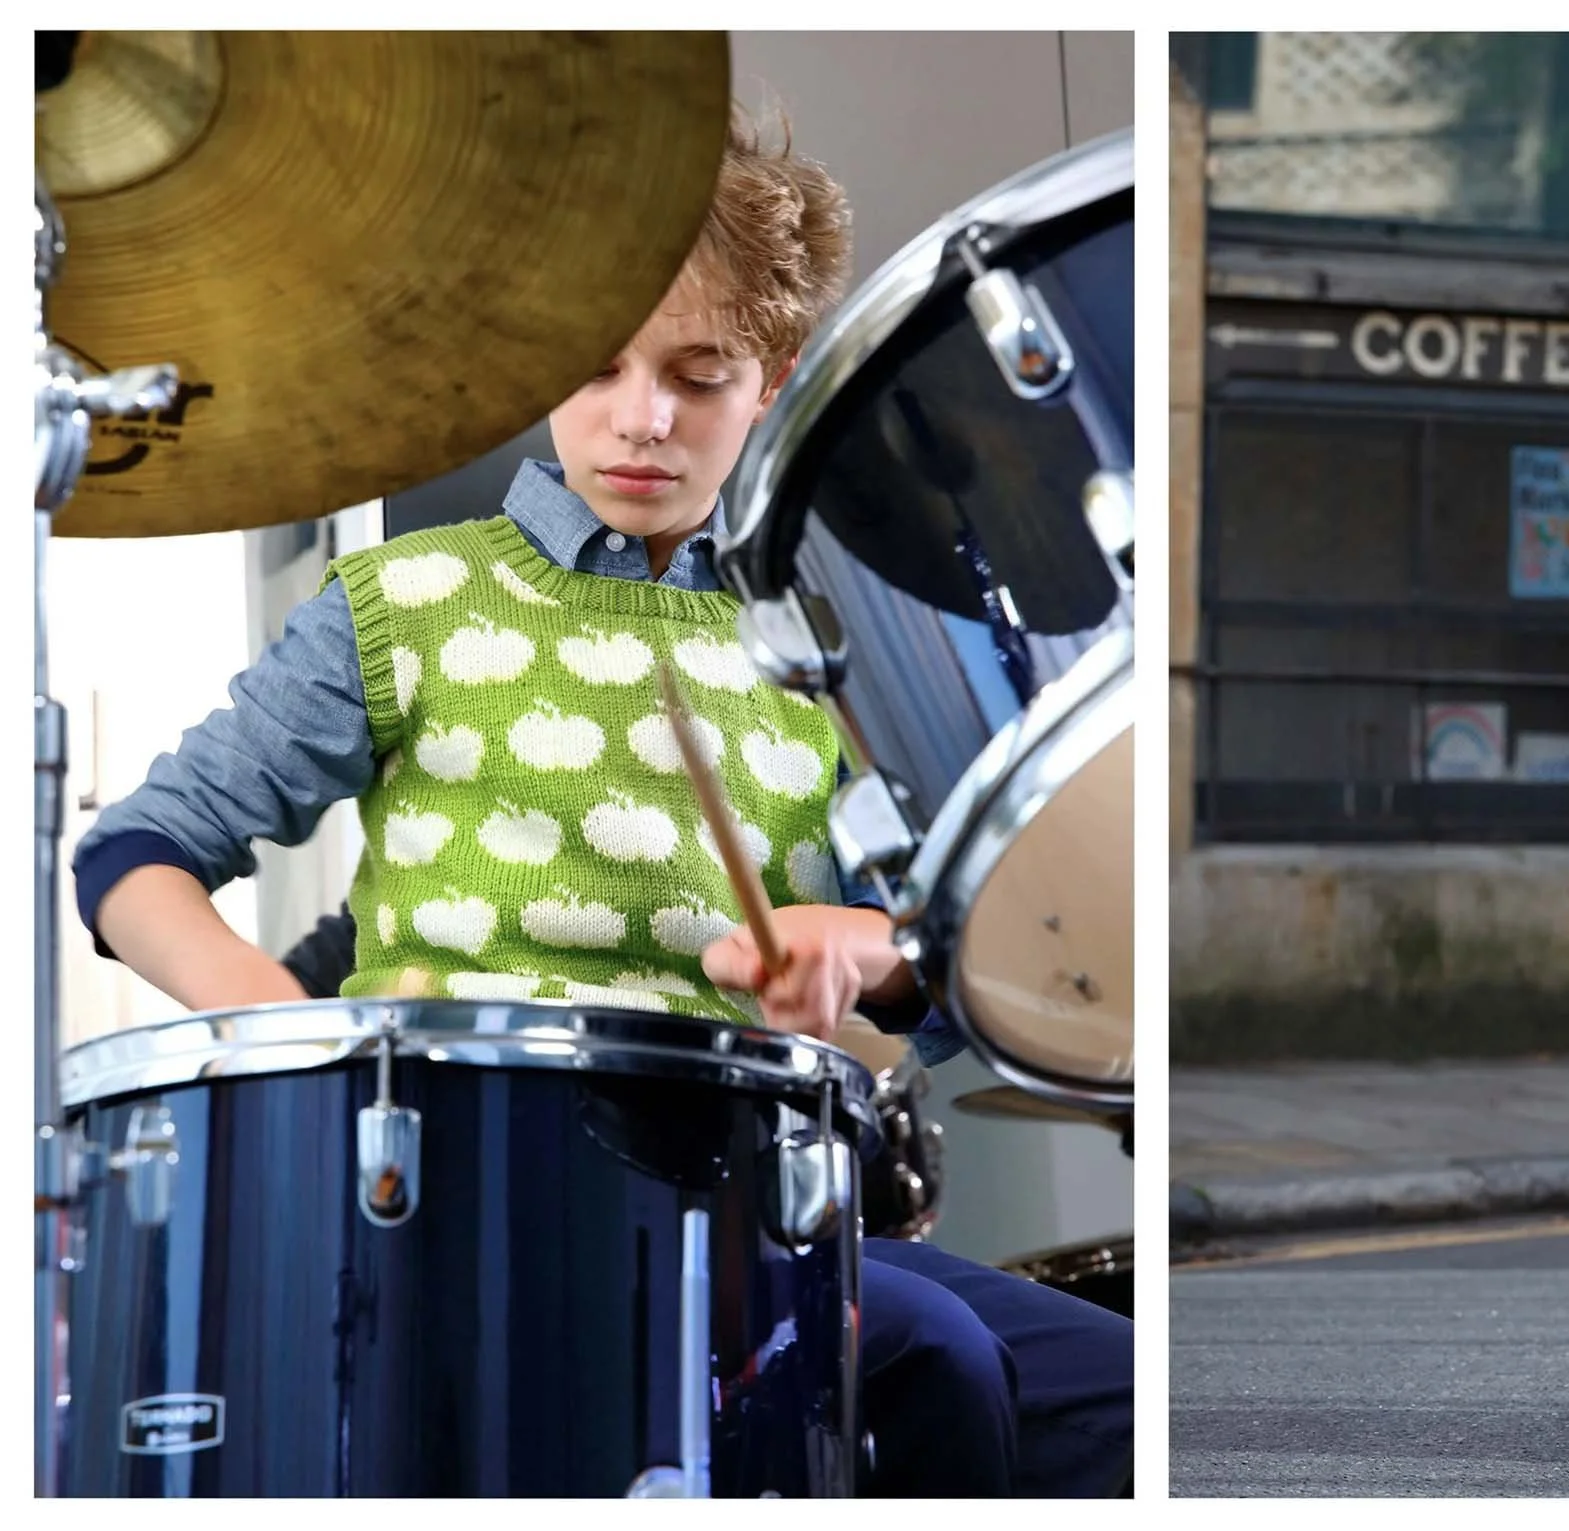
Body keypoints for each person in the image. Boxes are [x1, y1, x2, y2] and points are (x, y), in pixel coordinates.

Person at [72, 107, 1129, 1497]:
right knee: (931, 1354)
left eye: (701, 375)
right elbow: (133, 849)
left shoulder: (816, 639)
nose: (643, 418)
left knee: (1117, 1391)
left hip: (759, 1201)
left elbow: (945, 962)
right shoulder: (405, 603)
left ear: (777, 382)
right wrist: (284, 1022)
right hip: (462, 1188)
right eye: (600, 367)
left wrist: (860, 953)